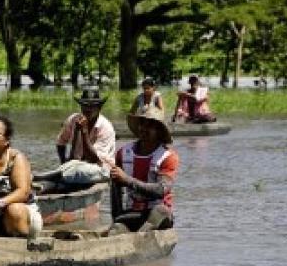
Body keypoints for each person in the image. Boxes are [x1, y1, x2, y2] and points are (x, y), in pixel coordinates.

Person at [109, 106, 178, 234]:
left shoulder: (167, 156)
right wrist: (116, 218)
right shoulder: (123, 153)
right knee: (116, 230)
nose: (144, 128)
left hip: (158, 215)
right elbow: (115, 189)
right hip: (132, 213)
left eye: (150, 125)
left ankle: (140, 235)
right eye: (142, 124)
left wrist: (127, 180)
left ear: (158, 130)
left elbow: (160, 190)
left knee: (160, 211)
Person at [33, 87, 116, 190]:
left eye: (92, 106)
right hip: (75, 166)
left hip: (100, 169)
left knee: (77, 170)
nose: (88, 109)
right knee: (71, 166)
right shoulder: (73, 119)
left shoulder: (105, 127)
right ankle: (46, 182)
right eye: (85, 105)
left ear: (99, 108)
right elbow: (61, 142)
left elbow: (93, 159)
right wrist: (63, 161)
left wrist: (84, 131)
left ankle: (41, 178)